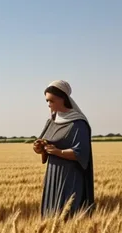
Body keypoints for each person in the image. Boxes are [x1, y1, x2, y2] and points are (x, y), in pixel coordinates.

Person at [33, 80, 94, 217]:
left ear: (63, 99)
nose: (49, 104)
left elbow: (81, 153)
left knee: (68, 213)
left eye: (52, 101)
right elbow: (43, 146)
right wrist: (39, 148)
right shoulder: (52, 121)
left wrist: (58, 152)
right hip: (52, 174)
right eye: (47, 101)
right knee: (51, 214)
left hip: (70, 175)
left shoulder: (78, 123)